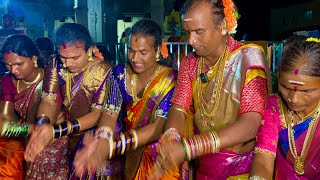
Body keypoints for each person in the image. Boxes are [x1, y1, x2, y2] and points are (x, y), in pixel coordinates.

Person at [148, 0, 270, 179]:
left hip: (242, 169)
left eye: (199, 32)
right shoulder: (190, 63)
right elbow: (178, 108)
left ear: (222, 26)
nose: (191, 40)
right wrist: (172, 138)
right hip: (205, 167)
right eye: (187, 32)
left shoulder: (248, 58)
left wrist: (189, 147)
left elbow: (250, 124)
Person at [72, 19, 176, 179]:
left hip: (159, 155)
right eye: (131, 50)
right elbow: (110, 112)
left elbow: (158, 126)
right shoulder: (119, 74)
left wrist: (111, 147)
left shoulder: (169, 79)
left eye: (142, 52)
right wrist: (102, 139)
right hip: (130, 148)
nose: (135, 58)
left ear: (156, 52)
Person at [24, 23, 112, 179]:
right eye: (63, 57)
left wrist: (56, 130)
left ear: (90, 50)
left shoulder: (105, 71)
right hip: (67, 129)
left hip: (95, 134)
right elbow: (49, 100)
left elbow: (97, 114)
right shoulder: (55, 63)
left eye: (75, 58)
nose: (68, 63)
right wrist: (41, 127)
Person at [250, 36, 320, 179]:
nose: (293, 99)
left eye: (306, 91)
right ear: (279, 75)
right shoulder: (274, 106)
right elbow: (263, 157)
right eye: (285, 87)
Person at [0, 34, 44, 179]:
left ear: (34, 58)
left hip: (53, 137)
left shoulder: (52, 80)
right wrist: (28, 129)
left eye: (19, 64)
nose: (13, 70)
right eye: (8, 65)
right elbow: (3, 123)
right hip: (23, 135)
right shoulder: (8, 81)